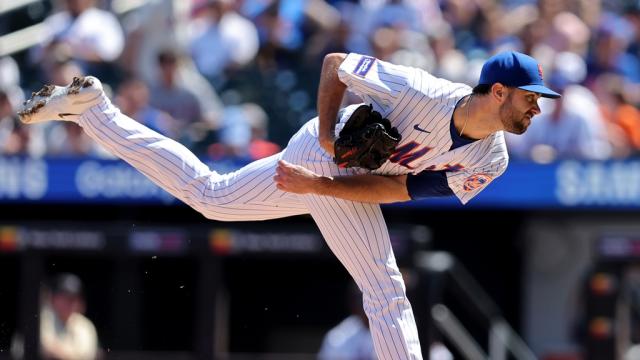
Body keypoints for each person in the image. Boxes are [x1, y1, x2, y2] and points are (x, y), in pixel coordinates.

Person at [18, 50, 560, 359]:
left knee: (212, 198)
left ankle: (94, 112)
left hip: (343, 178)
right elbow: (335, 64)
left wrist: (318, 185)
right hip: (323, 148)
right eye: (531, 96)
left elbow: (399, 190)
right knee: (385, 284)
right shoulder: (423, 90)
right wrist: (326, 140)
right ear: (498, 91)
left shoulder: (492, 161)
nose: (537, 108)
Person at [11, 273, 99, 360]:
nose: (69, 302)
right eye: (64, 297)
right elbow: (44, 347)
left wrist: (58, 351)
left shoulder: (85, 326)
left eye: (73, 298)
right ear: (53, 298)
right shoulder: (39, 319)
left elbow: (87, 355)